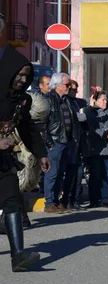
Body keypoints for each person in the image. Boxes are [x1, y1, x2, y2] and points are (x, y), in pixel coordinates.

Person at [0, 43, 50, 271]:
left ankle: (18, 257)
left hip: (4, 160)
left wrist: (41, 155)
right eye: (19, 74)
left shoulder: (21, 100)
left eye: (26, 75)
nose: (22, 79)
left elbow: (28, 129)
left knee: (12, 200)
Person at [83, 90, 108, 208]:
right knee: (95, 176)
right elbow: (91, 129)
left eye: (106, 100)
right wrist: (105, 134)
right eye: (102, 100)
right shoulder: (91, 112)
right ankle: (94, 200)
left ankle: (106, 199)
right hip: (96, 149)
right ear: (96, 101)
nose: (105, 102)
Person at [43, 72, 75, 213]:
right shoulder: (48, 100)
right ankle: (49, 202)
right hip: (55, 142)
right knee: (52, 173)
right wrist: (50, 144)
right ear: (57, 85)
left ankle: (56, 201)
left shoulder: (66, 100)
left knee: (61, 173)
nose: (68, 87)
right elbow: (42, 125)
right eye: (66, 84)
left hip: (66, 141)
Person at [60, 80, 87, 210]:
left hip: (78, 141)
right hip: (70, 141)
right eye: (73, 89)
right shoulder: (64, 101)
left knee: (78, 173)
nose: (75, 92)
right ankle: (66, 200)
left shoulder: (75, 102)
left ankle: (74, 200)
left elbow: (85, 101)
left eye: (76, 90)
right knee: (70, 174)